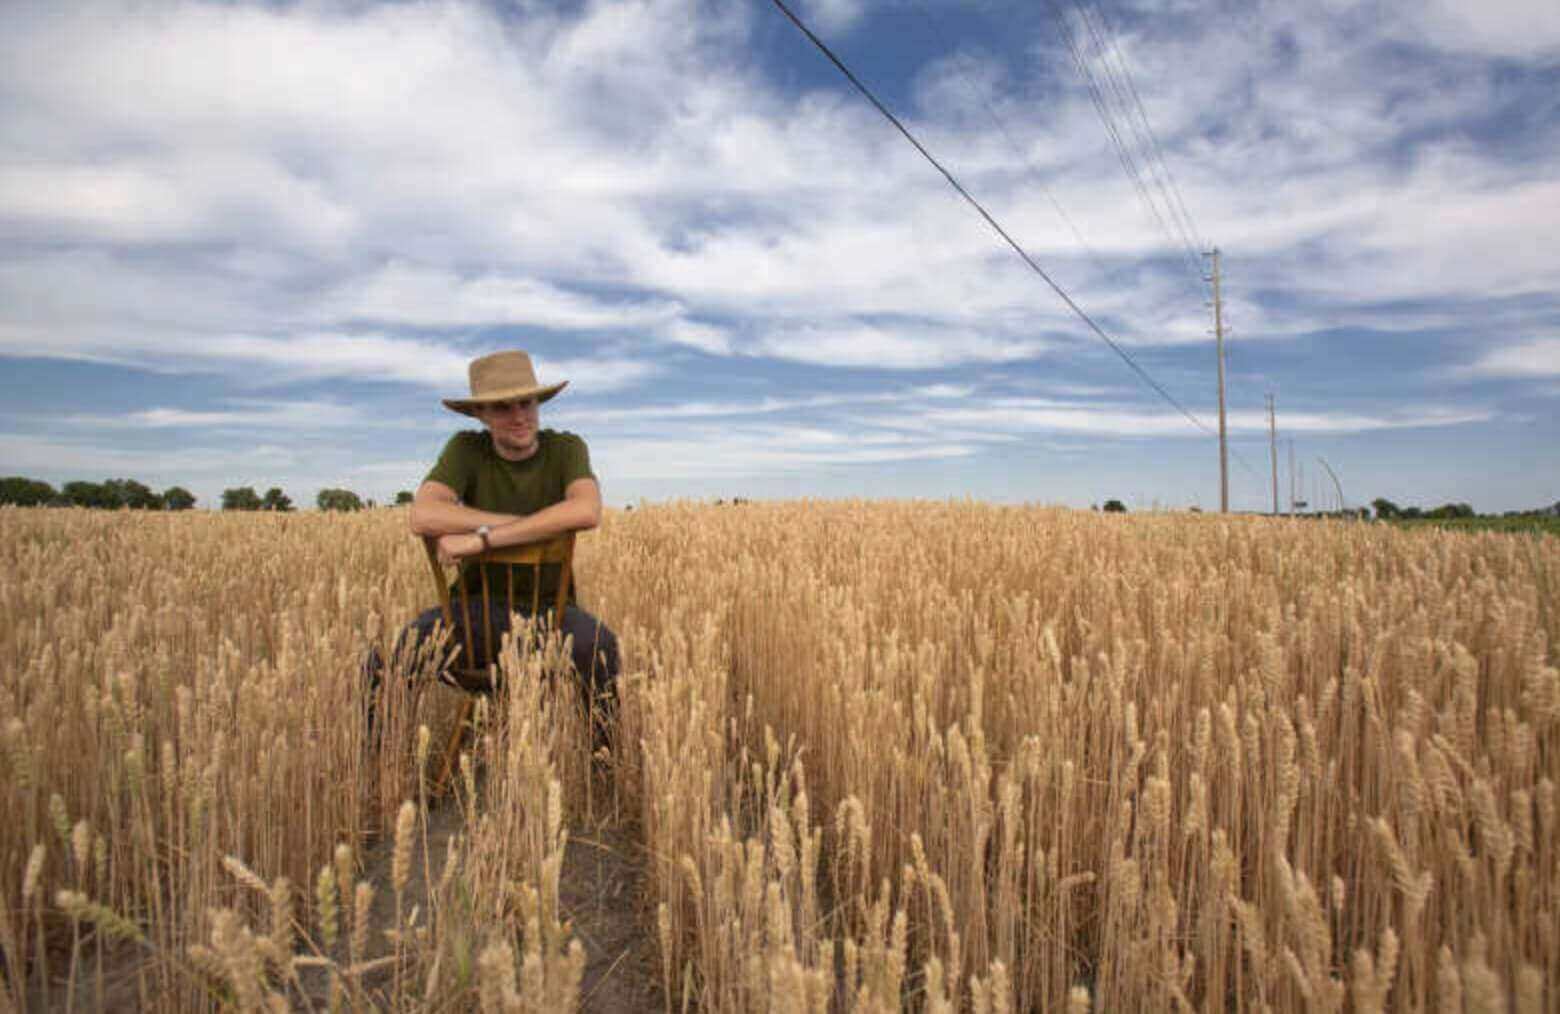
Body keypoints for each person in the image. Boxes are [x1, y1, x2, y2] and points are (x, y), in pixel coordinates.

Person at [369, 349, 620, 740]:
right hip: (471, 617)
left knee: (601, 648)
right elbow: (423, 515)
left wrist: (481, 541)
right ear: (480, 415)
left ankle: (604, 769)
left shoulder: (566, 448)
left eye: (526, 402)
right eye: (502, 408)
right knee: (387, 660)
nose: (519, 415)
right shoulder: (467, 449)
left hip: (551, 615)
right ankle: (378, 770)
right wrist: (537, 526)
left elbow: (587, 511)